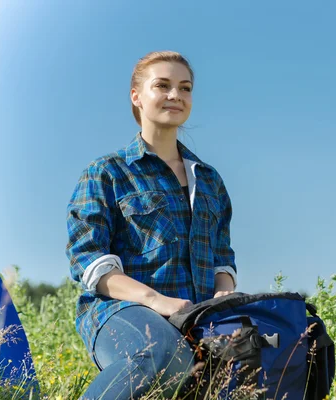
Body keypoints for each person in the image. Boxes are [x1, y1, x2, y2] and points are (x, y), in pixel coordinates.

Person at [65, 51, 238, 400]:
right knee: (163, 354)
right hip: (120, 311)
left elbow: (222, 255)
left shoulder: (209, 180)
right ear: (136, 96)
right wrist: (156, 300)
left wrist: (224, 294)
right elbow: (90, 263)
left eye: (185, 88)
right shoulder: (107, 172)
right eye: (162, 85)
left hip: (195, 318)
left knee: (272, 352)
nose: (176, 95)